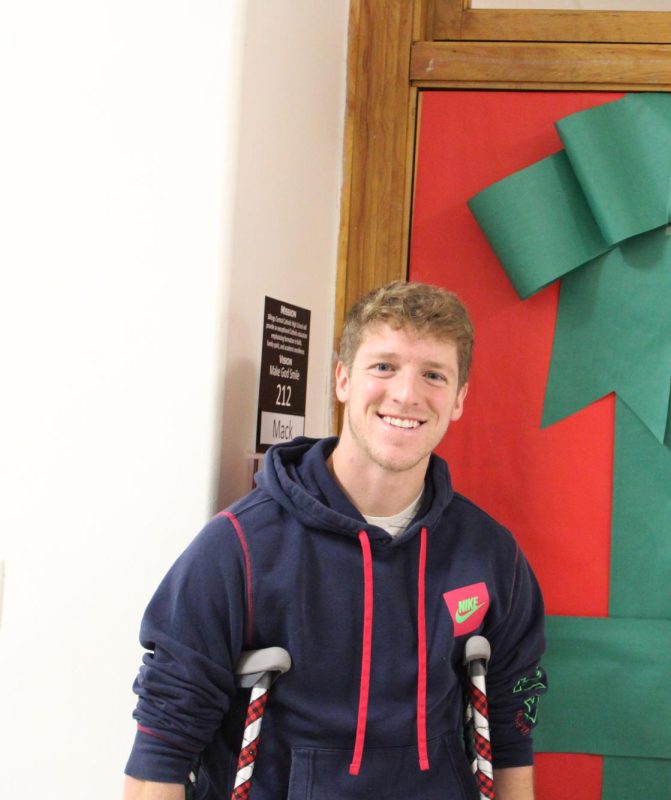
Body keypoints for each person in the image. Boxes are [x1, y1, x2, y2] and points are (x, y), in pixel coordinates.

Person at [123, 281, 548, 799]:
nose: (407, 394)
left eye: (433, 375)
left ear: (458, 399)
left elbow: (509, 732)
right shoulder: (238, 547)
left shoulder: (490, 555)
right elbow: (161, 754)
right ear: (343, 378)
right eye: (384, 366)